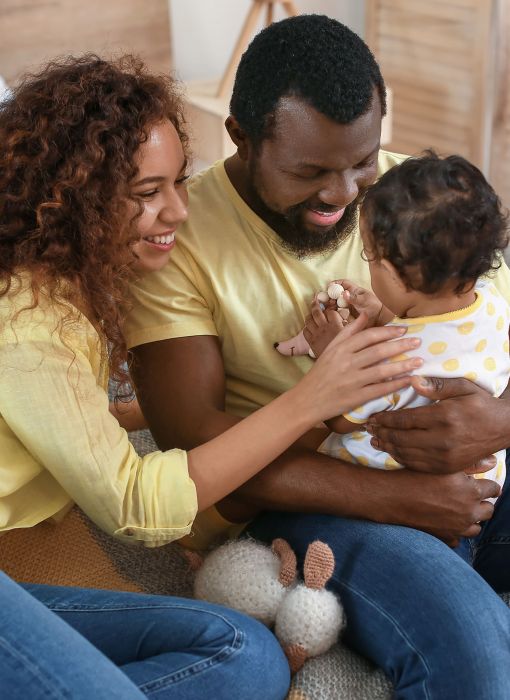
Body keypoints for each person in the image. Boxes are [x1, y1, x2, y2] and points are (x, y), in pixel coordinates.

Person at [0, 53, 423, 698]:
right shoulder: (29, 327)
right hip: (26, 550)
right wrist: (314, 398)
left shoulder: (68, 290)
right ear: (70, 202)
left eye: (177, 182)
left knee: (246, 653)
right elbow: (137, 505)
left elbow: (56, 418)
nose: (178, 211)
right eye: (148, 194)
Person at [126, 15, 510, 698]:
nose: (344, 194)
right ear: (241, 137)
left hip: (466, 466)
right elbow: (194, 448)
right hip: (313, 495)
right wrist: (403, 500)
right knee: (478, 656)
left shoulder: (412, 198)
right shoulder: (181, 245)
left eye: (361, 160)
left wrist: (499, 421)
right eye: (310, 172)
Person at [302, 152, 510, 524]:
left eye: (369, 255)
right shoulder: (490, 302)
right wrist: (383, 314)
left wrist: (331, 350)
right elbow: (441, 340)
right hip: (485, 481)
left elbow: (341, 419)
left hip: (407, 493)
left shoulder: (398, 356)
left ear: (398, 277)